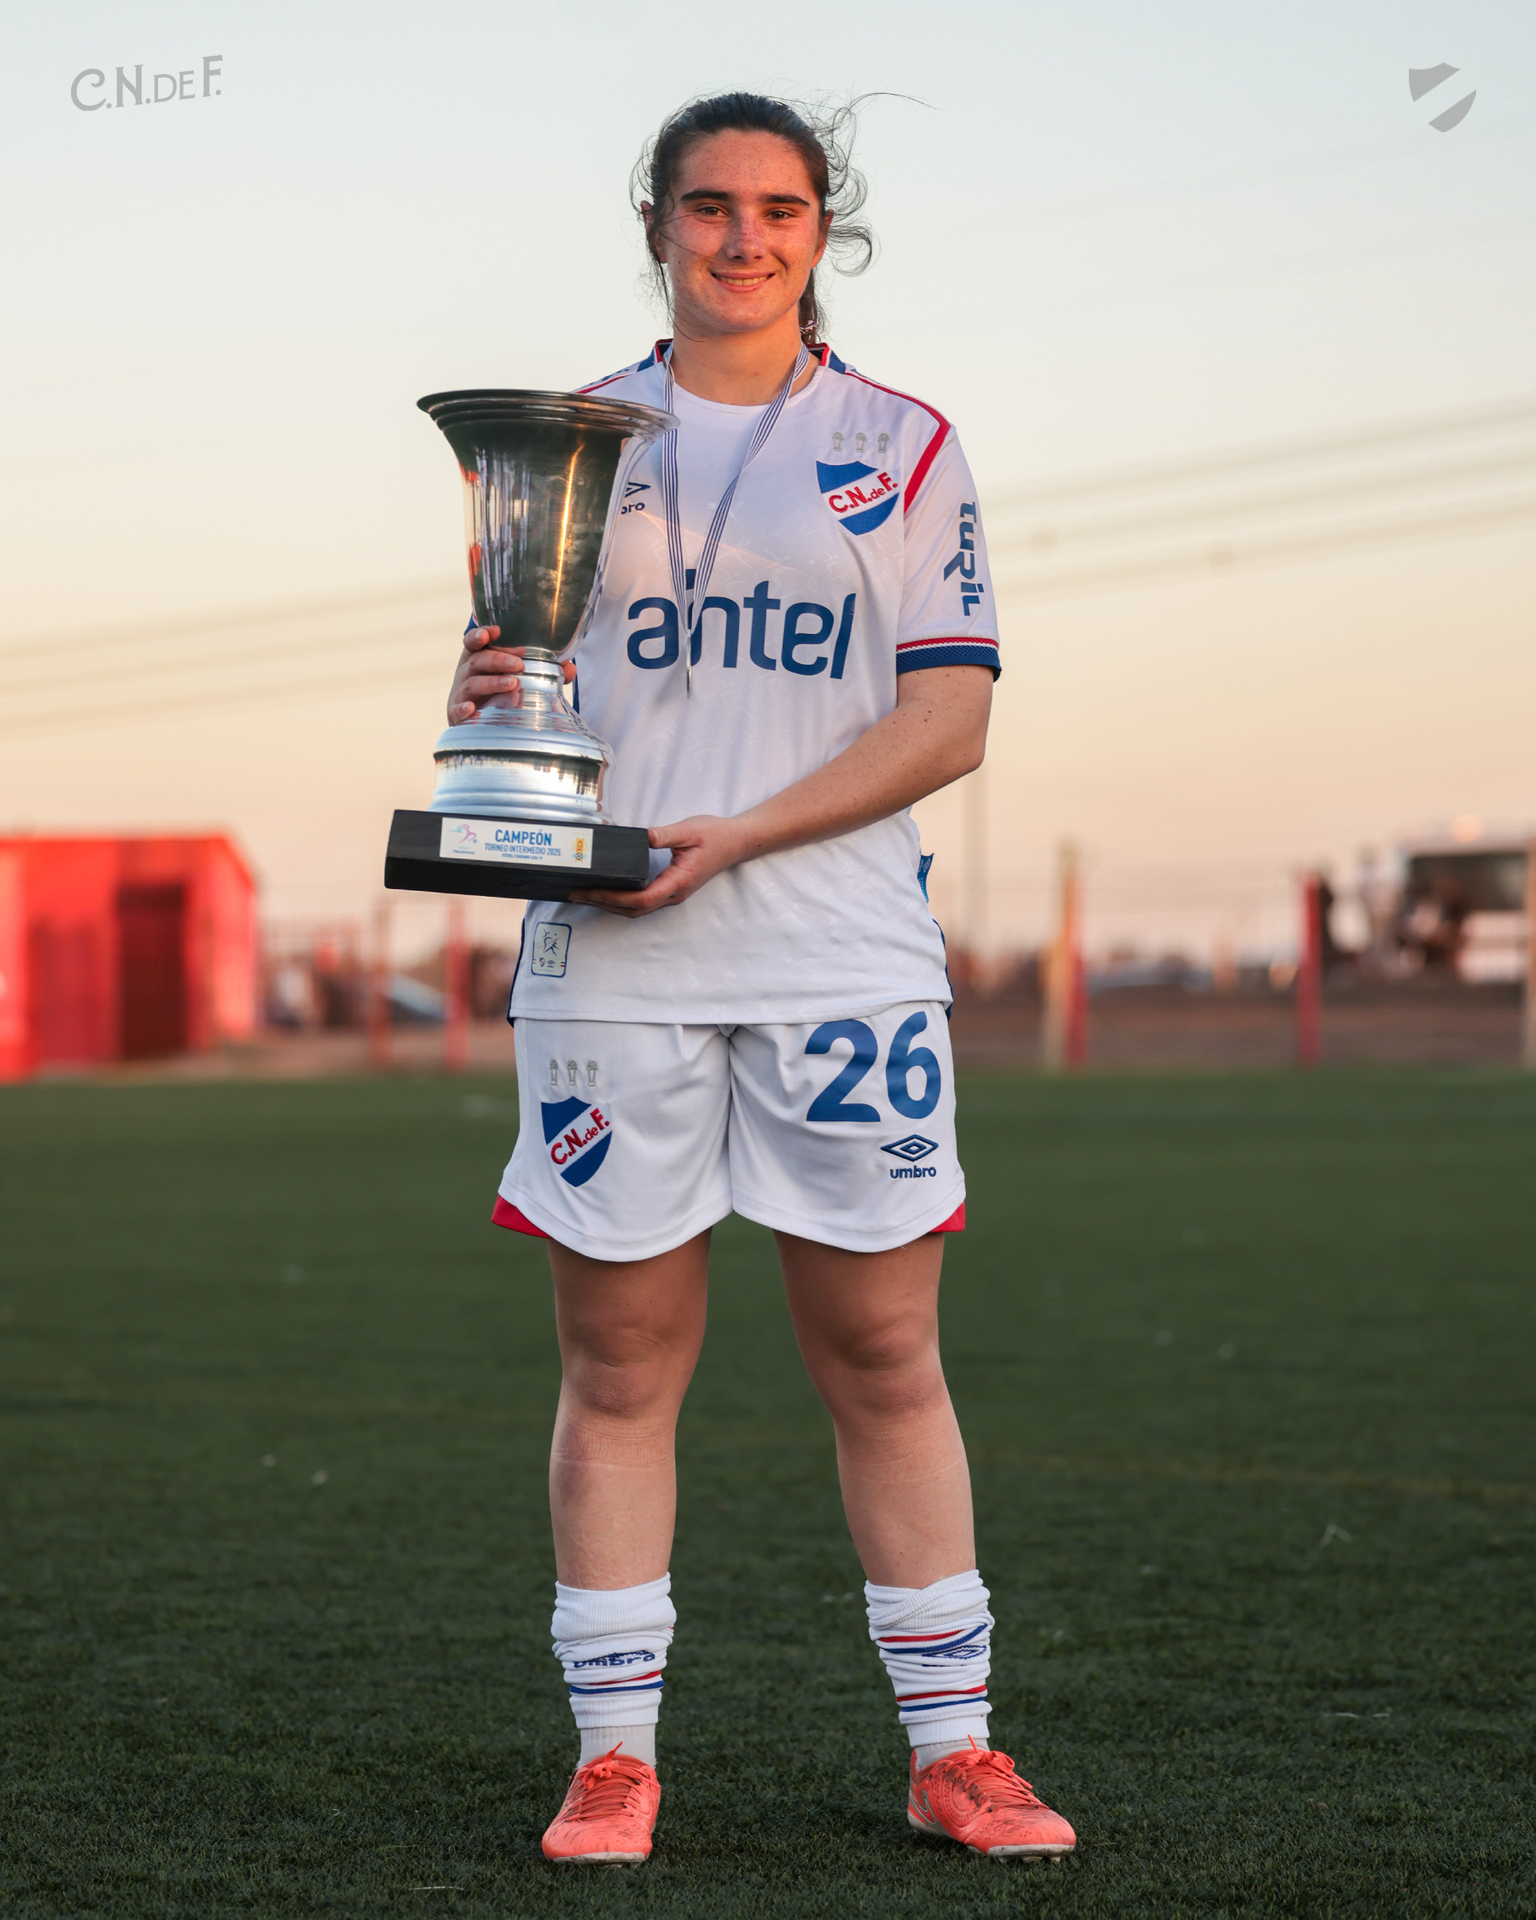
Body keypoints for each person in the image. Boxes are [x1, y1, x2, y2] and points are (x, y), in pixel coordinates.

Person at [447, 91, 1077, 1868]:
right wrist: (488, 697)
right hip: (610, 961)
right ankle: (614, 1760)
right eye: (710, 206)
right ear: (658, 223)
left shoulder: (903, 442)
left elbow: (949, 717)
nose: (743, 238)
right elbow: (514, 690)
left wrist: (745, 833)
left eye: (779, 208)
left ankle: (954, 1750)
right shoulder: (566, 442)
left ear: (822, 230)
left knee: (883, 1353)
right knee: (618, 1362)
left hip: (838, 955)